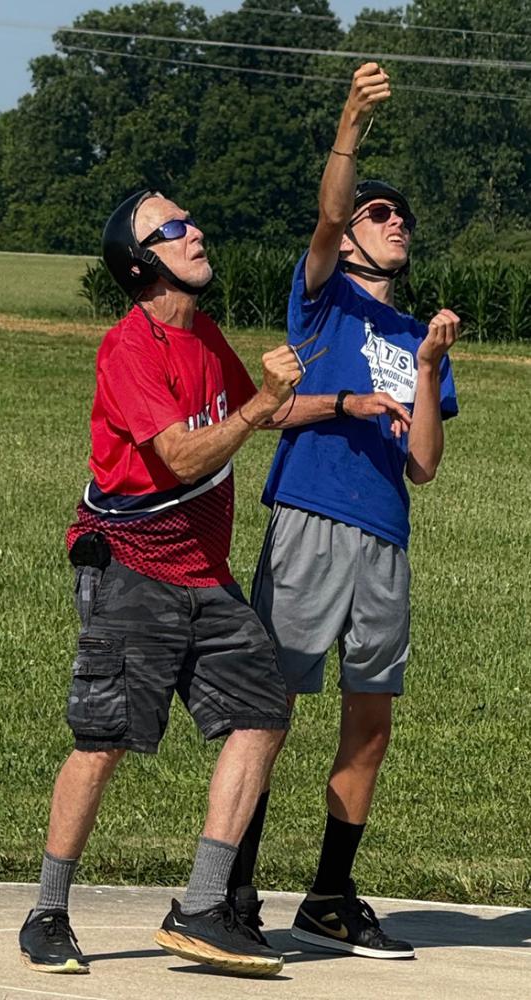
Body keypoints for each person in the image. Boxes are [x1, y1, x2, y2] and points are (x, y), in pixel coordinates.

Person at [18, 188, 307, 978]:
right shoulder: (131, 348)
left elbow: (263, 412)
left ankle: (203, 906)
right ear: (142, 261)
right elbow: (181, 456)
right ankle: (47, 909)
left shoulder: (205, 334)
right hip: (132, 571)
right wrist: (260, 407)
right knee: (105, 740)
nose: (196, 232)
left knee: (261, 711)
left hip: (205, 578)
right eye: (173, 228)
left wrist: (349, 403)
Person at [229, 62, 460, 959]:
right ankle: (233, 886)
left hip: (385, 537)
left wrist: (433, 365)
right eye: (380, 212)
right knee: (272, 707)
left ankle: (329, 894)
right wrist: (349, 123)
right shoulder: (320, 296)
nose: (394, 220)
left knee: (371, 719)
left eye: (400, 215)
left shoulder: (415, 338)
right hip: (310, 518)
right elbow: (326, 214)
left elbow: (426, 465)